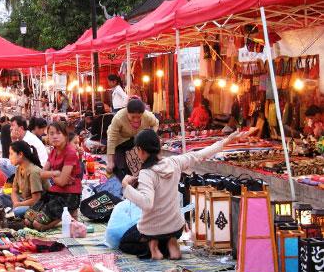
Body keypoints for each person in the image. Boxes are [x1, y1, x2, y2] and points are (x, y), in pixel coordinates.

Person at [122, 129, 249, 260]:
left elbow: (147, 203)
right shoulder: (174, 162)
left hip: (151, 230)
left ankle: (156, 247)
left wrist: (126, 187)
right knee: (166, 231)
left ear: (140, 150)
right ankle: (170, 242)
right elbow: (200, 154)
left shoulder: (147, 173)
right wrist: (227, 140)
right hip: (176, 227)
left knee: (125, 242)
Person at [25, 121, 82, 231]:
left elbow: (62, 182)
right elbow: (41, 174)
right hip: (54, 192)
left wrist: (51, 175)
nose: (54, 136)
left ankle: (68, 212)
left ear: (65, 135)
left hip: (69, 195)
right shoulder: (53, 151)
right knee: (28, 218)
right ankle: (67, 213)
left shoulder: (70, 153)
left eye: (58, 133)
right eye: (51, 133)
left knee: (37, 224)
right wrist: (55, 173)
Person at [106, 98, 159, 180]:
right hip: (119, 140)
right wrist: (110, 161)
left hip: (135, 139)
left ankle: (139, 181)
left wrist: (151, 134)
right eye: (133, 117)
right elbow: (111, 139)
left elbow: (156, 123)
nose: (136, 120)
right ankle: (124, 184)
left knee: (138, 164)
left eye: (139, 117)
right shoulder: (118, 118)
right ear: (127, 113)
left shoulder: (147, 116)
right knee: (119, 165)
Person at [0, 141, 49, 218]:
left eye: (11, 154)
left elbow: (36, 200)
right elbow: (14, 191)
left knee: (17, 211)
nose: (9, 157)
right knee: (1, 198)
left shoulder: (33, 172)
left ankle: (13, 212)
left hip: (41, 205)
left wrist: (19, 205)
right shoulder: (19, 169)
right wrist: (16, 203)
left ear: (20, 154)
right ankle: (14, 211)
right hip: (25, 202)